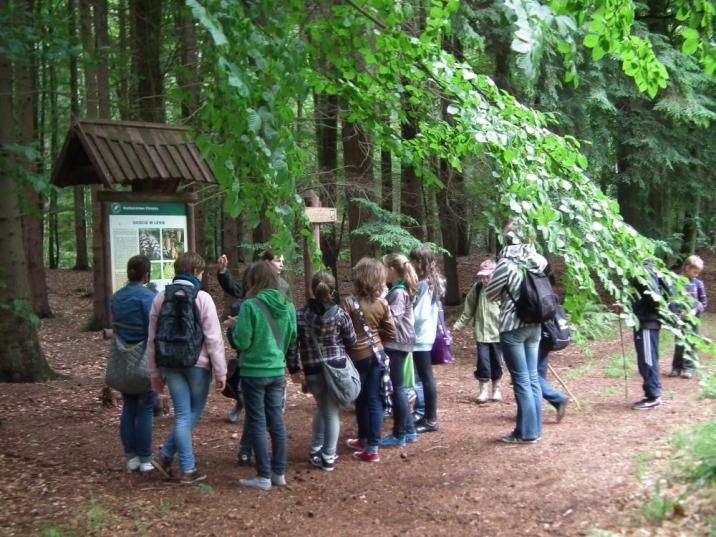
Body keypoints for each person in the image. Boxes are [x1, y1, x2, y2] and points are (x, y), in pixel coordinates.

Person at [147, 252, 227, 484]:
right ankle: (187, 469)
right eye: (201, 272)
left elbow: (152, 338)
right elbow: (213, 339)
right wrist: (221, 372)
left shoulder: (161, 298)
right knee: (190, 415)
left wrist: (154, 373)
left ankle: (164, 457)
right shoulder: (202, 298)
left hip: (171, 364)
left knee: (183, 414)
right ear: (195, 272)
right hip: (198, 365)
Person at [232, 261, 297, 490]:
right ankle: (279, 472)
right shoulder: (288, 306)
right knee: (276, 421)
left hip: (253, 371)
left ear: (254, 280)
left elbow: (243, 341)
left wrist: (233, 329)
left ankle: (263, 476)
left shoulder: (249, 306)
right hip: (277, 371)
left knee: (257, 422)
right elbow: (291, 336)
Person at [484, 222, 547, 444]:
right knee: (532, 378)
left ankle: (527, 433)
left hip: (513, 327)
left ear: (508, 238)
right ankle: (533, 430)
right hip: (536, 323)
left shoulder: (506, 264)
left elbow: (490, 294)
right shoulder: (538, 260)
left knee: (521, 380)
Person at [289, 271, 356, 471]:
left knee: (322, 407)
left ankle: (317, 448)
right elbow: (351, 339)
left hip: (312, 370)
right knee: (332, 412)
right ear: (332, 289)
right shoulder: (339, 313)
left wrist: (293, 368)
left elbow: (292, 345)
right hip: (336, 368)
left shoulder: (300, 314)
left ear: (313, 288)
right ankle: (328, 456)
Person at [343, 258, 398, 462]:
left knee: (362, 398)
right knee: (373, 399)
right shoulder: (382, 303)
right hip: (378, 356)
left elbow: (342, 331)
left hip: (356, 358)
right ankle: (369, 443)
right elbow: (392, 332)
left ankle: (368, 442)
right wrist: (375, 337)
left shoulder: (349, 303)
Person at [110, 255, 158, 473]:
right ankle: (146, 457)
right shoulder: (147, 297)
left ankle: (131, 457)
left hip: (123, 359)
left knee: (129, 406)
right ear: (146, 274)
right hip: (143, 358)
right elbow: (152, 327)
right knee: (147, 406)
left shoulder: (117, 297)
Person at [380, 253, 420, 447]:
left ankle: (399, 434)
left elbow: (392, 321)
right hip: (401, 343)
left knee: (398, 390)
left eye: (384, 267)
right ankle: (410, 430)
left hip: (396, 344)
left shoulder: (397, 292)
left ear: (392, 270)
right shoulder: (399, 290)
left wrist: (374, 324)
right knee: (400, 388)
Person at [454, 259, 504, 404]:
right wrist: (460, 324)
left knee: (497, 362)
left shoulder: (502, 289)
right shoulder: (478, 288)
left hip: (498, 334)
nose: (485, 278)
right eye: (483, 276)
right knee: (483, 362)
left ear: (496, 274)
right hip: (482, 334)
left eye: (488, 275)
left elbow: (509, 310)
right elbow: (469, 308)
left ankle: (496, 389)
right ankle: (483, 390)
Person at [409, 247, 443, 434]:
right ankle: (427, 416)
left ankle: (430, 419)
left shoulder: (424, 284)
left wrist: (406, 320)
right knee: (426, 377)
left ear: (419, 262)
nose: (410, 264)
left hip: (420, 336)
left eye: (412, 261)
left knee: (426, 377)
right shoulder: (433, 282)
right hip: (425, 334)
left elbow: (420, 315)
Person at [629, 259, 669, 410]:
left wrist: (647, 312)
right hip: (645, 322)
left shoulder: (646, 272)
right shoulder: (649, 271)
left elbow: (654, 299)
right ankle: (650, 393)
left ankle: (654, 396)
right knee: (646, 359)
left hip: (647, 323)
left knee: (648, 360)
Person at [670, 255, 707, 379]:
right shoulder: (677, 282)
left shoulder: (698, 284)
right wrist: (676, 314)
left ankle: (689, 368)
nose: (696, 274)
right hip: (680, 318)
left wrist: (694, 311)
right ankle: (676, 367)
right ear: (687, 268)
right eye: (694, 271)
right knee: (679, 343)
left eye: (698, 272)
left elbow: (703, 302)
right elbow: (673, 300)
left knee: (692, 343)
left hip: (693, 319)